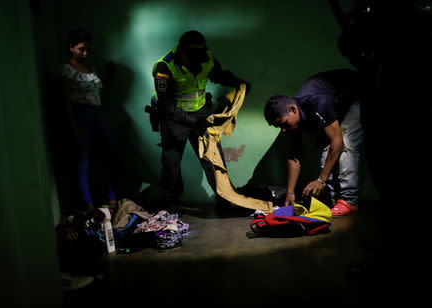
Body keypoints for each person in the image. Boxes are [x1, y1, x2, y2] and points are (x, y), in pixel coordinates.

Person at [151, 30, 250, 211]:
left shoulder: (206, 58)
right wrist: (192, 121)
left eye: (201, 55)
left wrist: (239, 82)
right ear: (182, 52)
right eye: (194, 56)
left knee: (214, 160)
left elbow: (218, 75)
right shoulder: (164, 67)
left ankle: (225, 201)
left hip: (200, 115)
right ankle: (170, 206)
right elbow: (166, 107)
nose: (199, 61)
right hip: (174, 120)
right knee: (171, 165)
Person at [264, 69, 363, 216]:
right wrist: (290, 192)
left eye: (284, 124)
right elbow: (294, 156)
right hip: (336, 102)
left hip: (356, 93)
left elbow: (338, 141)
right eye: (279, 127)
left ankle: (349, 201)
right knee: (326, 148)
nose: (283, 130)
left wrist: (320, 180)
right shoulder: (292, 122)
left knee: (345, 141)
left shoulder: (315, 99)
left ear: (292, 109)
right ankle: (333, 199)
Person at [61, 28, 119, 212]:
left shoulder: (91, 68)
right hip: (80, 115)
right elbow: (65, 99)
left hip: (96, 114)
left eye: (88, 49)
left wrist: (108, 77)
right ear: (71, 47)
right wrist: (73, 126)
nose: (85, 53)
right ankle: (87, 205)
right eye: (81, 49)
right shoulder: (67, 69)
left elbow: (95, 90)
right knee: (82, 161)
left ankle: (110, 196)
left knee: (111, 154)